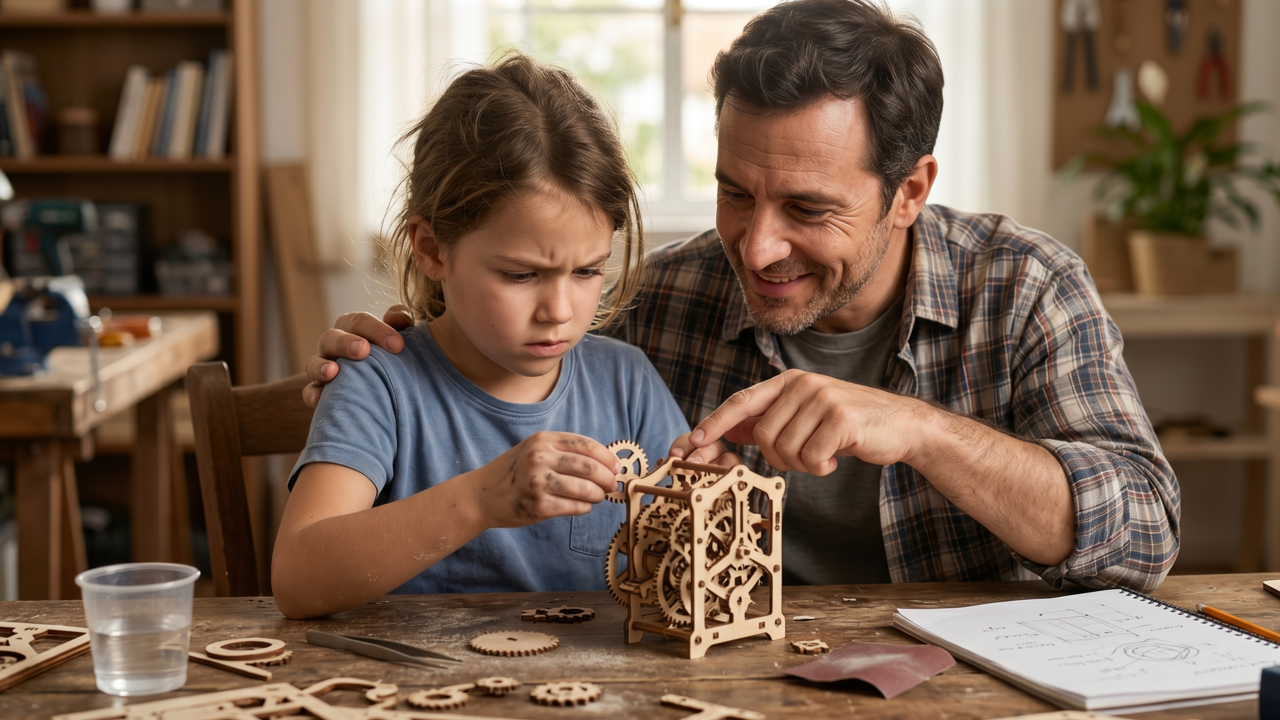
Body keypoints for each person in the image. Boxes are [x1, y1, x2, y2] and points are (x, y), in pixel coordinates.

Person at [303, 0, 1179, 592]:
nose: (756, 248)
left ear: (910, 190)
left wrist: (917, 430)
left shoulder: (1026, 288)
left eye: (808, 208)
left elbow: (1146, 534)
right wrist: (403, 334)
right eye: (733, 192)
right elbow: (502, 339)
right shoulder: (660, 300)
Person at [271, 54, 713, 619]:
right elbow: (296, 578)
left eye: (587, 272)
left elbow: (689, 561)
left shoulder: (627, 381)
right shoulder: (377, 383)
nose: (558, 311)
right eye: (521, 275)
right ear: (432, 250)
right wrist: (481, 499)